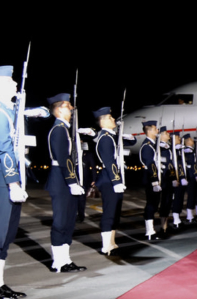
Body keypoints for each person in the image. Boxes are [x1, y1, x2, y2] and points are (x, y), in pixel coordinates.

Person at [0, 65, 28, 299]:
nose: (16, 84)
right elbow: (3, 148)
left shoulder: (9, 110)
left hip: (8, 178)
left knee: (6, 235)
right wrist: (13, 183)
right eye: (11, 82)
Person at [45, 93, 87, 272]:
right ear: (60, 108)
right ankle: (57, 262)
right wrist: (71, 181)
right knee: (61, 221)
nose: (71, 109)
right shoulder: (59, 129)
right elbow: (63, 159)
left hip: (66, 178)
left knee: (69, 221)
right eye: (69, 106)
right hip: (60, 179)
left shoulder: (64, 129)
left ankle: (66, 260)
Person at [94, 106, 136, 255]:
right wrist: (116, 181)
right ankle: (106, 245)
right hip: (109, 180)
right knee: (109, 212)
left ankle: (111, 241)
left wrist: (130, 137)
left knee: (115, 212)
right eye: (111, 118)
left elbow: (128, 143)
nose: (114, 119)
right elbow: (109, 161)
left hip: (113, 178)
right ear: (103, 121)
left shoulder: (111, 136)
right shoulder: (105, 138)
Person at [138, 120, 161, 240]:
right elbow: (150, 164)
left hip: (153, 179)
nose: (158, 130)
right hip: (150, 179)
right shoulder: (147, 146)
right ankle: (149, 231)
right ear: (150, 130)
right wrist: (155, 181)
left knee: (154, 204)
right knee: (151, 205)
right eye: (156, 128)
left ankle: (151, 230)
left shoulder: (151, 144)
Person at [156, 126, 177, 234]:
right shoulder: (159, 147)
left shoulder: (167, 147)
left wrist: (173, 177)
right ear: (162, 135)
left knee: (168, 201)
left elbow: (171, 164)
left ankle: (166, 225)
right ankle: (162, 226)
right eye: (167, 133)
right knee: (164, 202)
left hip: (168, 177)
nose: (169, 135)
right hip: (162, 178)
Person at [182, 134, 197, 224]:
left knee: (193, 196)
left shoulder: (191, 151)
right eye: (191, 140)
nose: (193, 141)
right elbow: (190, 165)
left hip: (192, 176)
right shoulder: (186, 151)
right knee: (190, 196)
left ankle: (191, 215)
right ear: (188, 141)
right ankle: (189, 216)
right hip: (189, 176)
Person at [170, 132, 188, 228]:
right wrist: (175, 178)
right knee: (175, 199)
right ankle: (175, 219)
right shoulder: (170, 150)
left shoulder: (178, 150)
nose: (180, 139)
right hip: (174, 179)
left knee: (180, 198)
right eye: (177, 138)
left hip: (180, 178)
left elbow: (180, 166)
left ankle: (178, 218)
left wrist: (183, 177)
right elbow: (172, 166)